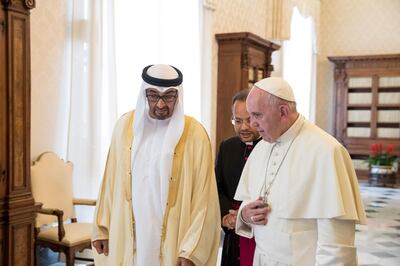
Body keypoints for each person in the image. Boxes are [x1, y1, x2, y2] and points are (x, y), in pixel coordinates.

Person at [92, 64, 221, 266]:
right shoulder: (124, 126)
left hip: (174, 238)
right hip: (128, 235)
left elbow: (205, 199)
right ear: (144, 94)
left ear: (178, 96)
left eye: (169, 96)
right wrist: (102, 227)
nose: (161, 104)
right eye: (154, 95)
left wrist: (191, 249)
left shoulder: (195, 134)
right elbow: (110, 181)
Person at [234, 77, 367, 265]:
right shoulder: (262, 147)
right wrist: (245, 215)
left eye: (257, 115)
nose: (252, 124)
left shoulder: (326, 151)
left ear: (283, 111)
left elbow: (337, 242)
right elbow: (248, 200)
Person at [215, 89, 260, 266]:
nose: (243, 127)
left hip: (259, 233)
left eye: (249, 120)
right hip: (233, 233)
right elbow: (218, 187)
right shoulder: (227, 147)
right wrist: (226, 215)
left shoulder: (271, 147)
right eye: (238, 120)